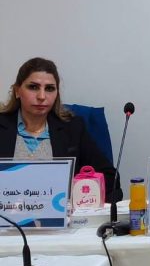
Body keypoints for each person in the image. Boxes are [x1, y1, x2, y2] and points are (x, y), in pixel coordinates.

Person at [0, 57, 122, 202]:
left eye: (49, 88)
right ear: (17, 91)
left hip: (61, 212)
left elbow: (111, 178)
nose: (41, 96)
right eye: (33, 87)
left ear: (57, 93)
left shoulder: (73, 128)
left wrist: (74, 194)